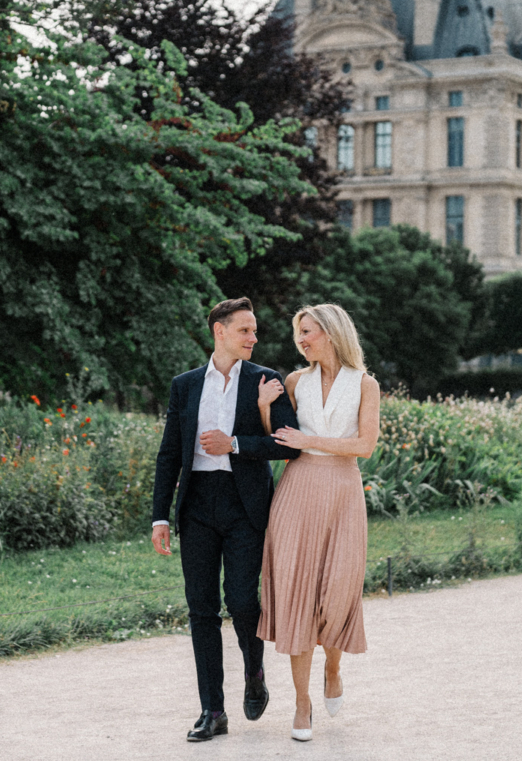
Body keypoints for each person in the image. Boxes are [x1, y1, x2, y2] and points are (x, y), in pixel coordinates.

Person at [151, 297, 303, 742]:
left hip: (244, 506)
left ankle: (254, 671)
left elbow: (288, 445)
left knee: (240, 601)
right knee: (201, 609)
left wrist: (235, 444)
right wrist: (160, 515)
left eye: (254, 331)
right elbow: (168, 455)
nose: (254, 338)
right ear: (220, 331)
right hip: (196, 504)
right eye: (245, 330)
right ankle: (212, 710)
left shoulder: (266, 380)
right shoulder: (185, 385)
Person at [256, 303, 380, 742]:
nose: (301, 340)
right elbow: (282, 442)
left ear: (332, 333)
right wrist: (266, 408)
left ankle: (333, 666)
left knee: (337, 594)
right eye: (298, 334)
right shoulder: (294, 382)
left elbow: (364, 445)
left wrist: (312, 440)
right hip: (297, 491)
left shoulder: (365, 385)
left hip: (343, 495)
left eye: (308, 332)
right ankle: (302, 704)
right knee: (297, 595)